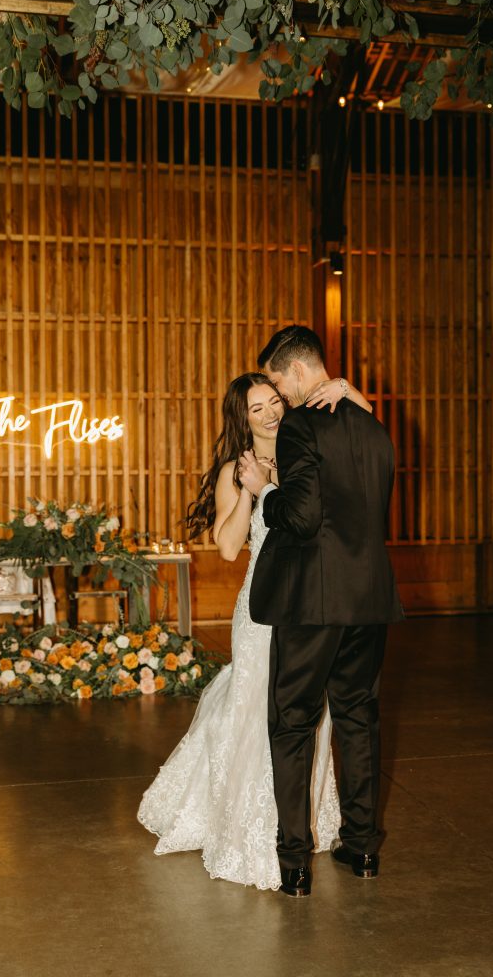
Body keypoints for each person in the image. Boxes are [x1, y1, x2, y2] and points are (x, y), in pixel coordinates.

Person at [137, 370, 372, 891]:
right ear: (242, 420)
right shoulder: (234, 468)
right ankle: (250, 827)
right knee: (254, 710)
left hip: (314, 604)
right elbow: (226, 546)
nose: (269, 413)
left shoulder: (310, 452)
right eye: (256, 409)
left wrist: (351, 392)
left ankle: (298, 821)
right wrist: (250, 489)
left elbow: (369, 438)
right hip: (264, 606)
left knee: (311, 714)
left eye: (273, 402)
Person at [239, 325, 404, 898]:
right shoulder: (374, 426)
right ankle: (361, 847)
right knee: (357, 719)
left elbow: (304, 517)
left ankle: (294, 863)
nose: (278, 396)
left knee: (292, 724)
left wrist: (265, 490)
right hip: (370, 599)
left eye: (280, 381)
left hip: (313, 601)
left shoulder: (302, 425)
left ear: (301, 370)